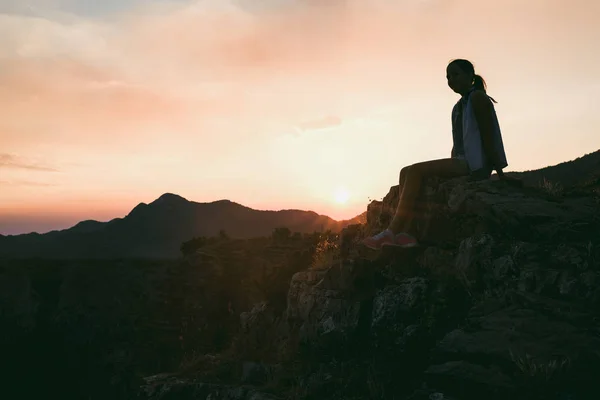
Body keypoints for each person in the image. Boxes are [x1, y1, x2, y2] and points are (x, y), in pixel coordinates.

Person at [362, 59, 509, 250]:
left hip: (475, 164)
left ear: (470, 76)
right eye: (448, 77)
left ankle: (391, 231)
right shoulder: (458, 107)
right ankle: (406, 234)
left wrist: (498, 171)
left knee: (415, 171)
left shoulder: (478, 98)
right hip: (461, 161)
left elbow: (489, 136)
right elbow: (459, 143)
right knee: (406, 171)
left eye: (455, 74)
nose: (450, 80)